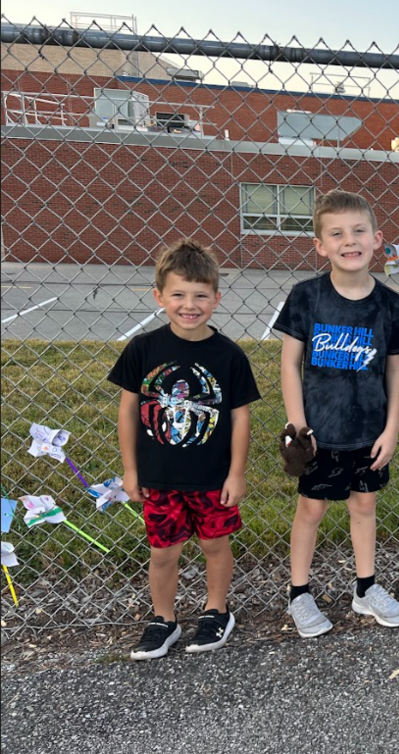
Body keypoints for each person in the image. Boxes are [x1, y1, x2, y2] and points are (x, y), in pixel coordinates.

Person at [274, 189, 399, 637]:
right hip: (319, 434)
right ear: (320, 245)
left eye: (358, 231)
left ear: (377, 239)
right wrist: (298, 426)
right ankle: (299, 593)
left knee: (364, 506)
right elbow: (289, 364)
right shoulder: (306, 297)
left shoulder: (390, 305)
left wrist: (391, 429)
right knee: (311, 511)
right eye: (336, 233)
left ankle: (365, 587)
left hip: (368, 433)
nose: (349, 240)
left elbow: (395, 372)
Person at [109, 238, 261, 659]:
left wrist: (236, 472)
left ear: (217, 298)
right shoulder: (143, 350)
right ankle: (163, 619)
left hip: (212, 477)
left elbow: (240, 417)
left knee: (215, 545)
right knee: (163, 552)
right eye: (178, 294)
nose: (189, 304)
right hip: (159, 476)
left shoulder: (229, 356)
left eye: (200, 295)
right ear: (159, 296)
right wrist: (131, 468)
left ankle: (216, 610)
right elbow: (127, 412)